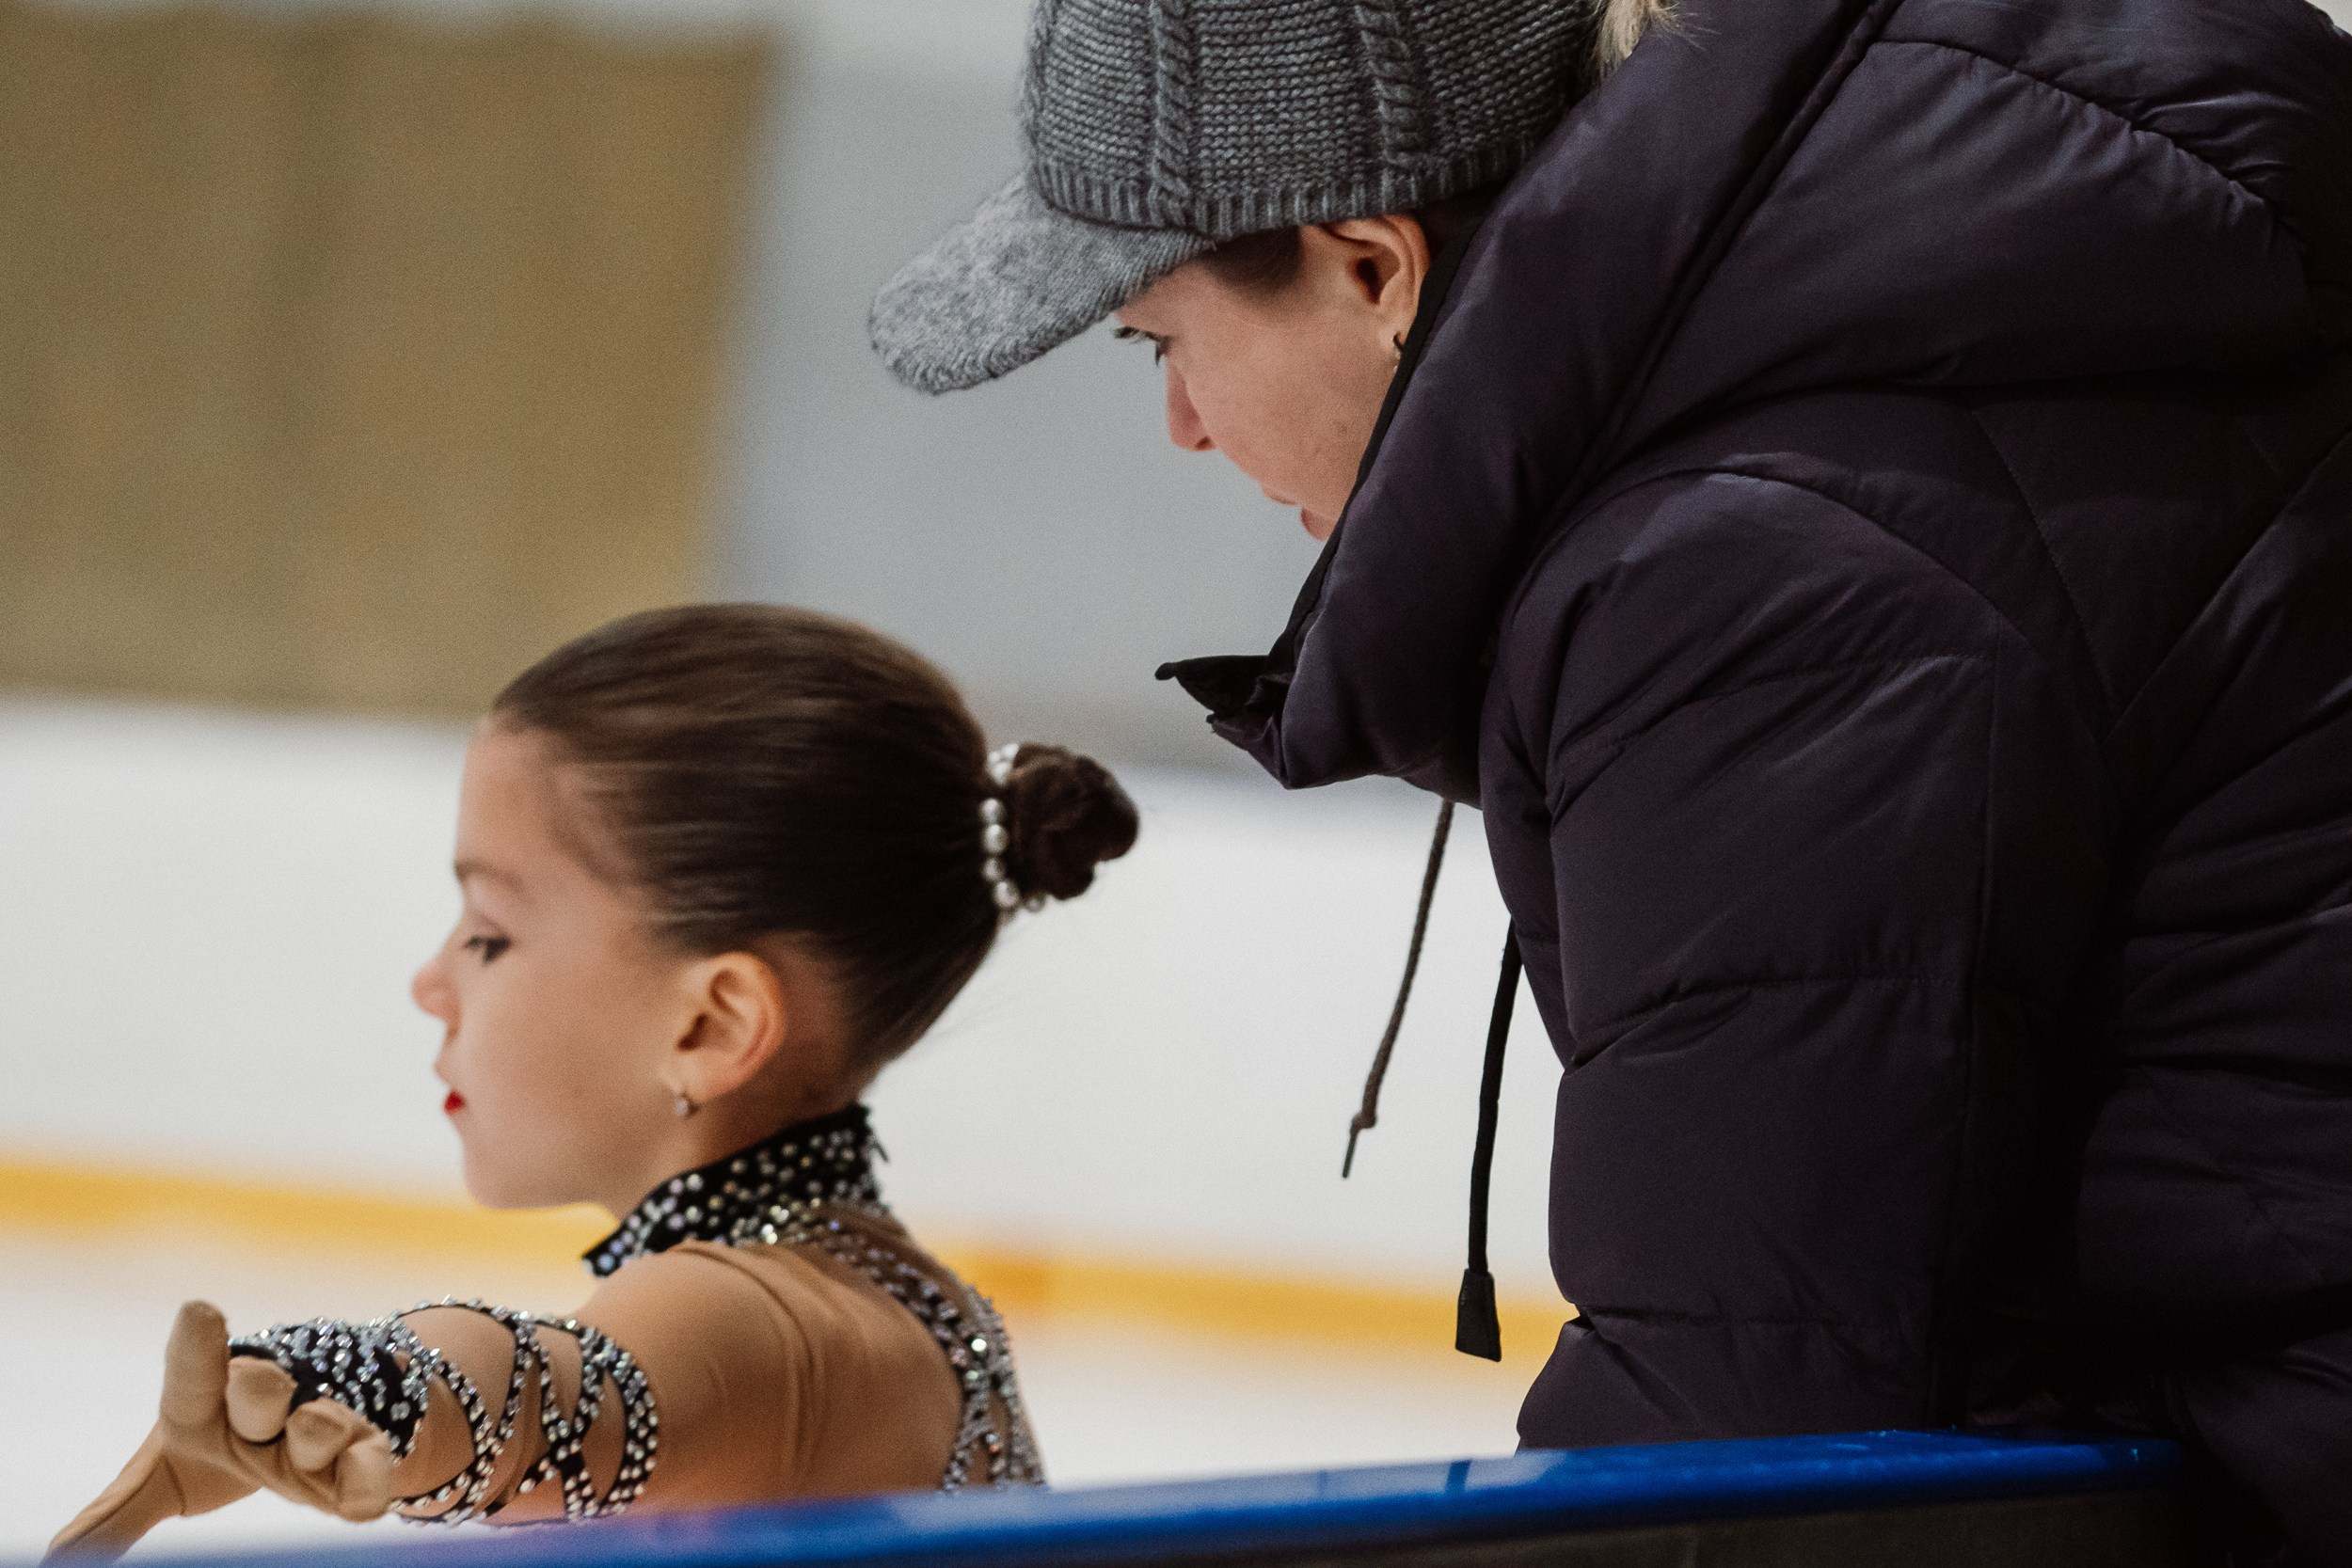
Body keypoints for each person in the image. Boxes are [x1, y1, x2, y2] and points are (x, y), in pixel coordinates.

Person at [869, 0, 2352, 1561]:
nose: (1179, 423)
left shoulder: (1743, 570)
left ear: (1373, 270)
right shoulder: (1890, 396)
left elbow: (1743, 1413)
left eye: (1163, 340)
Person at [47, 604, 1138, 1557]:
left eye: (489, 933)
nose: (430, 980)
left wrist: (336, 1384)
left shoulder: (755, 1318)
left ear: (711, 1023)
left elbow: (554, 1394)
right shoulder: (870, 1290)